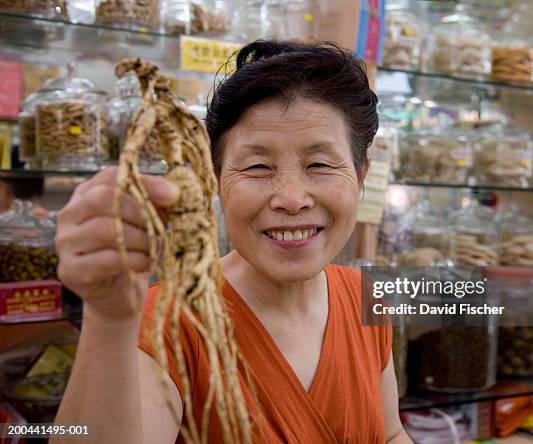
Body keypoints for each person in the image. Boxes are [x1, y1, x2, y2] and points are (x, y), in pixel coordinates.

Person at [52, 40, 413, 444]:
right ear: (216, 179)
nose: (291, 199)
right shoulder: (167, 322)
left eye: (319, 165)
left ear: (361, 173)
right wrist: (109, 318)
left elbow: (390, 433)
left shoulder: (365, 297)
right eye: (258, 167)